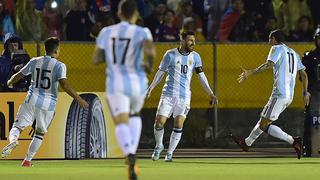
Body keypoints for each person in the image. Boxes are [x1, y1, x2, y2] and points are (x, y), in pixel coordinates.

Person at [92, 0, 156, 179]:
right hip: (137, 82)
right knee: (134, 115)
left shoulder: (106, 32)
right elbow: (150, 53)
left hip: (115, 83)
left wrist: (111, 56)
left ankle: (129, 153)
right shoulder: (143, 31)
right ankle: (133, 154)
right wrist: (148, 66)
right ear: (136, 15)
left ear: (119, 14)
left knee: (121, 121)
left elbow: (97, 58)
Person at [1, 37, 89, 166]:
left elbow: (19, 74)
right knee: (39, 133)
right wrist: (78, 98)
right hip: (48, 104)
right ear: (57, 51)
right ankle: (27, 160)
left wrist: (10, 81)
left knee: (17, 127)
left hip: (31, 100)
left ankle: (13, 140)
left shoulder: (34, 61)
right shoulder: (59, 65)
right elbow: (64, 85)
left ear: (45, 49)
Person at [230, 29, 310, 159]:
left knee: (263, 124)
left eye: (269, 38)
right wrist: (305, 92)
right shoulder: (294, 53)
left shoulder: (276, 48)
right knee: (264, 121)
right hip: (289, 96)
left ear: (274, 39)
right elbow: (304, 74)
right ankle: (247, 143)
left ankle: (293, 141)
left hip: (279, 94)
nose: (268, 41)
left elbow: (269, 64)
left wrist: (250, 72)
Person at [147, 30, 217, 162]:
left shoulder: (196, 57)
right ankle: (158, 146)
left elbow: (201, 77)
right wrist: (151, 87)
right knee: (159, 123)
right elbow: (161, 72)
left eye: (194, 41)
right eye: (190, 40)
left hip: (184, 97)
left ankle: (170, 153)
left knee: (178, 124)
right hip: (168, 95)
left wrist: (210, 93)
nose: (193, 43)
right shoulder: (170, 54)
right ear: (182, 40)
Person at [301, 27, 320, 156]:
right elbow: (302, 77)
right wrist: (306, 92)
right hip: (313, 92)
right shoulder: (309, 56)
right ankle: (307, 148)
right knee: (310, 119)